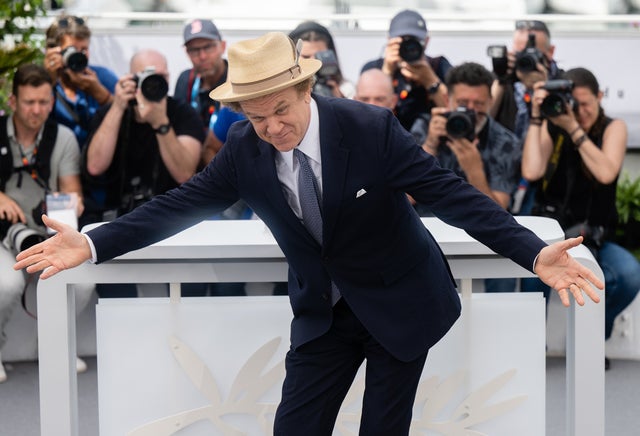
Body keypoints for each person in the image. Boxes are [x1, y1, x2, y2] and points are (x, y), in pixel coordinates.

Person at [14, 32, 602, 434]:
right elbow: (182, 203)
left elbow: (453, 197)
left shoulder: (370, 129)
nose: (271, 128)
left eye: (280, 110)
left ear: (305, 90)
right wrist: (93, 241)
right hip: (324, 313)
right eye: (256, 117)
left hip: (401, 301)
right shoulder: (244, 147)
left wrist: (533, 253)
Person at [521, 67, 640, 369]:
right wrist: (537, 118)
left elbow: (606, 172)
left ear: (600, 97)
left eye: (586, 103)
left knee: (628, 275)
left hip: (593, 237)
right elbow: (532, 170)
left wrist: (574, 129)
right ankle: (531, 349)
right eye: (575, 104)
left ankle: (589, 341)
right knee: (533, 278)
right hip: (551, 235)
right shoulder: (553, 124)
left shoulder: (612, 127)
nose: (581, 111)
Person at [82, 49, 204, 297]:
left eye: (159, 77)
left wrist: (161, 123)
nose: (153, 83)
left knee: (190, 289)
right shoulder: (112, 112)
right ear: (130, 79)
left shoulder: (182, 113)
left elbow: (184, 173)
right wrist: (117, 107)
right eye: (145, 77)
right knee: (116, 298)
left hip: (173, 220)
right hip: (118, 218)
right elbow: (95, 166)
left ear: (168, 78)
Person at [0, 64, 93, 381]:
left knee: (83, 282)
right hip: (3, 235)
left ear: (52, 103)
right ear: (13, 101)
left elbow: (71, 189)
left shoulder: (62, 137)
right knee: (5, 284)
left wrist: (73, 201)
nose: (36, 110)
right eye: (29, 102)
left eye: (43, 102)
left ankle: (53, 345)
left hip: (46, 234)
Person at [417, 62, 521, 213]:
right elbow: (407, 198)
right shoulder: (425, 127)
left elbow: (498, 214)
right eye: (463, 103)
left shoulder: (506, 143)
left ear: (490, 102)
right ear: (447, 100)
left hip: (477, 224)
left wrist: (474, 171)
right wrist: (430, 146)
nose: (471, 110)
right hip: (427, 221)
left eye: (478, 103)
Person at [488, 19, 562, 215]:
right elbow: (483, 118)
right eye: (520, 53)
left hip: (546, 185)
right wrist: (501, 79)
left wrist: (545, 89)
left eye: (533, 53)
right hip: (502, 177)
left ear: (550, 52)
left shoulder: (561, 83)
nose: (526, 59)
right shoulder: (502, 80)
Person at [361, 9, 452, 132]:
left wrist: (431, 81)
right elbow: (367, 115)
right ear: (389, 41)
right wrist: (387, 73)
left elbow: (454, 111)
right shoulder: (373, 69)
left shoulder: (438, 66)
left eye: (414, 40)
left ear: (426, 41)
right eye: (402, 41)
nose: (408, 46)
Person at [43, 14, 118, 148]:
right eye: (72, 50)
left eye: (84, 50)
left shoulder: (102, 76)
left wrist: (100, 94)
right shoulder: (44, 82)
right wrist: (48, 83)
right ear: (55, 51)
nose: (79, 56)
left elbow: (129, 117)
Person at [289, 21, 355, 100]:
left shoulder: (346, 89)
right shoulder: (282, 89)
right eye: (306, 56)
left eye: (319, 56)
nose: (314, 61)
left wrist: (341, 102)